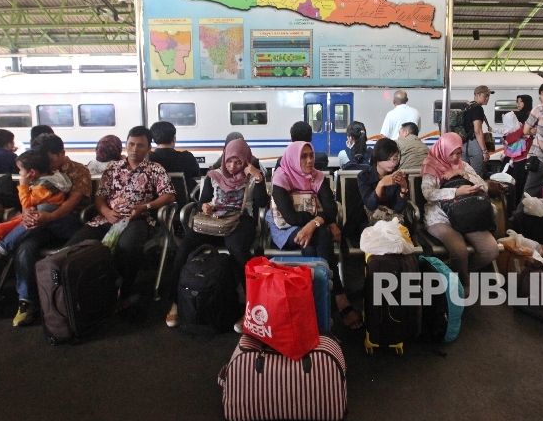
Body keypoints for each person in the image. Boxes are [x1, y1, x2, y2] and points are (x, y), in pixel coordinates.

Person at [66, 126, 175, 308]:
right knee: (74, 246)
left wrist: (144, 207)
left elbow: (169, 195)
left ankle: (123, 292)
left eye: (140, 146)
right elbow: (99, 197)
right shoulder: (113, 168)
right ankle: (81, 296)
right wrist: (106, 212)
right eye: (131, 144)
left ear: (149, 148)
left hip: (137, 219)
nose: (134, 149)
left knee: (128, 247)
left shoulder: (155, 169)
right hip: (107, 218)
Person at [165, 138, 267, 330]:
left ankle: (251, 304)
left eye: (238, 161)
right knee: (186, 247)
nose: (233, 166)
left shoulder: (253, 175)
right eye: (229, 161)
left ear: (246, 159)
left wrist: (258, 176)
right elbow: (202, 203)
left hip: (242, 218)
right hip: (216, 219)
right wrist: (205, 206)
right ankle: (177, 301)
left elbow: (262, 203)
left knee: (237, 249)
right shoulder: (214, 175)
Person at [267, 141, 362, 329]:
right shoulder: (281, 177)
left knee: (313, 242)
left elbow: (331, 209)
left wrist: (314, 223)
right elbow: (291, 217)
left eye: (311, 155)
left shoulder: (317, 177)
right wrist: (318, 220)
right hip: (286, 230)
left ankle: (314, 302)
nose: (310, 160)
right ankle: (339, 296)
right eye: (304, 156)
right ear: (293, 158)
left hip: (314, 230)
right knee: (320, 236)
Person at [5, 133, 91, 327]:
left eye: (49, 157)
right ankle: (27, 301)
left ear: (61, 153)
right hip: (38, 226)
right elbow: (28, 200)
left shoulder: (78, 170)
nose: (45, 162)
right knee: (25, 248)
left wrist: (49, 216)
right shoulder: (35, 171)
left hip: (67, 223)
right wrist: (27, 213)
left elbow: (73, 202)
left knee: (44, 208)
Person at [0, 150, 71, 280]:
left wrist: (23, 184)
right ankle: (25, 298)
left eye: (20, 170)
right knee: (23, 246)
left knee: (5, 228)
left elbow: (26, 201)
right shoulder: (56, 178)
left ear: (32, 173)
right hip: (38, 225)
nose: (20, 173)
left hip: (55, 223)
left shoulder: (44, 187)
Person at [421, 133, 499, 293]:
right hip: (440, 217)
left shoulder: (463, 166)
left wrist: (462, 174)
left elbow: (483, 186)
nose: (456, 158)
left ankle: (458, 270)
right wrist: (456, 192)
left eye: (459, 153)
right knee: (459, 251)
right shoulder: (431, 167)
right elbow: (429, 194)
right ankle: (464, 284)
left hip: (466, 214)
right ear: (443, 150)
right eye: (452, 153)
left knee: (491, 250)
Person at [357, 138, 408, 223]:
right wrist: (381, 184)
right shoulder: (364, 176)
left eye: (395, 159)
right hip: (368, 220)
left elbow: (398, 208)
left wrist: (403, 189)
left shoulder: (398, 176)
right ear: (377, 158)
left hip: (393, 220)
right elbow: (371, 205)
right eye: (388, 159)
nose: (392, 163)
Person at [149, 121, 201, 193]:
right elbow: (197, 176)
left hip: (157, 202)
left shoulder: (149, 159)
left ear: (154, 140)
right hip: (185, 202)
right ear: (174, 138)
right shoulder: (187, 157)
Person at [462, 85, 493, 176]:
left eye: (488, 96)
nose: (487, 98)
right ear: (477, 95)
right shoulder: (478, 109)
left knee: (465, 175)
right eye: (485, 96)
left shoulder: (466, 107)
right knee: (477, 176)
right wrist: (484, 151)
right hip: (474, 144)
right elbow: (478, 131)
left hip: (463, 145)